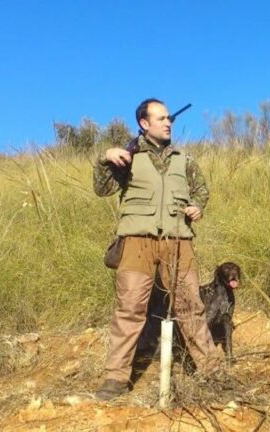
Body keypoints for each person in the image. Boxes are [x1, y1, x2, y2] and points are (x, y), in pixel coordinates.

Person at [93, 98, 221, 401]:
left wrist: (197, 207)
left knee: (191, 306)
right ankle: (115, 378)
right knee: (129, 309)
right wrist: (105, 157)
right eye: (161, 118)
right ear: (144, 123)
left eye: (169, 118)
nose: (168, 122)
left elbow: (202, 189)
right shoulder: (127, 157)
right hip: (137, 241)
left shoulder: (184, 158)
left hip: (179, 241)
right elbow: (102, 189)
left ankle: (212, 371)